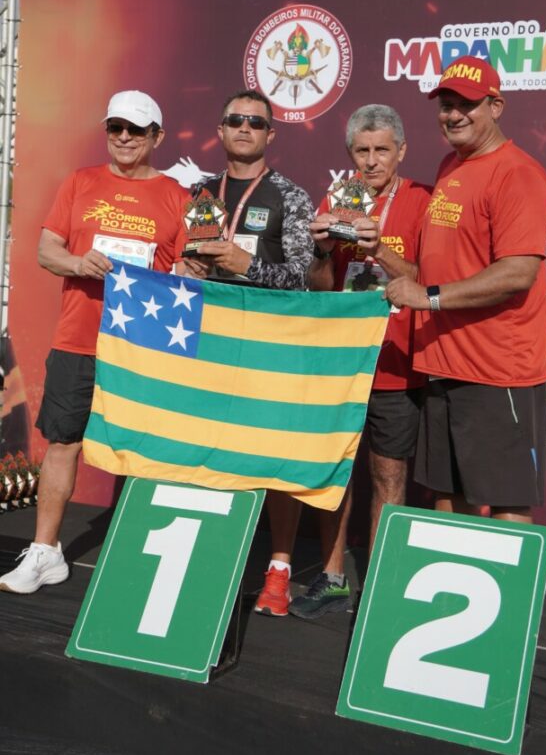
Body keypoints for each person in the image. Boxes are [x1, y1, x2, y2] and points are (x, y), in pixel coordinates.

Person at [0, 91, 190, 594]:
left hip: (144, 345)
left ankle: (136, 556)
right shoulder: (80, 182)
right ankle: (45, 552)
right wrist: (79, 264)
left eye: (136, 129)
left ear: (157, 137)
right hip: (78, 338)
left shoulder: (177, 195)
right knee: (63, 442)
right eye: (115, 128)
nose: (124, 138)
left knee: (141, 450)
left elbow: (189, 273)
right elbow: (47, 250)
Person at [385, 55, 546, 524]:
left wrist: (430, 297)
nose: (454, 114)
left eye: (468, 104)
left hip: (498, 369)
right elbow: (439, 268)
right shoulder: (450, 165)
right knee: (446, 493)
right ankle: (447, 598)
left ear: (496, 106)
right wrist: (376, 248)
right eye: (446, 104)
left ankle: (506, 599)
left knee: (505, 499)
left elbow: (518, 272)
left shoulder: (517, 173)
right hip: (444, 361)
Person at [287, 104, 431, 619]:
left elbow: (424, 278)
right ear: (351, 153)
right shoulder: (337, 200)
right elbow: (320, 288)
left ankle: (384, 587)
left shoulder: (421, 201)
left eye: (382, 150)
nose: (372, 161)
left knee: (389, 476)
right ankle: (331, 578)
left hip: (395, 361)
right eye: (362, 151)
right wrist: (324, 250)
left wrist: (380, 249)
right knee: (336, 472)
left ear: (401, 151)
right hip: (340, 360)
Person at [179, 88, 314, 616]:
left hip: (269, 348)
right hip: (208, 344)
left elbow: (307, 278)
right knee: (208, 452)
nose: (244, 129)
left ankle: (278, 570)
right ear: (220, 129)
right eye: (235, 120)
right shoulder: (201, 192)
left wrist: (245, 265)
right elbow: (188, 256)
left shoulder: (291, 196)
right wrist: (187, 268)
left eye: (256, 123)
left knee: (274, 463)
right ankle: (208, 559)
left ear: (270, 135)